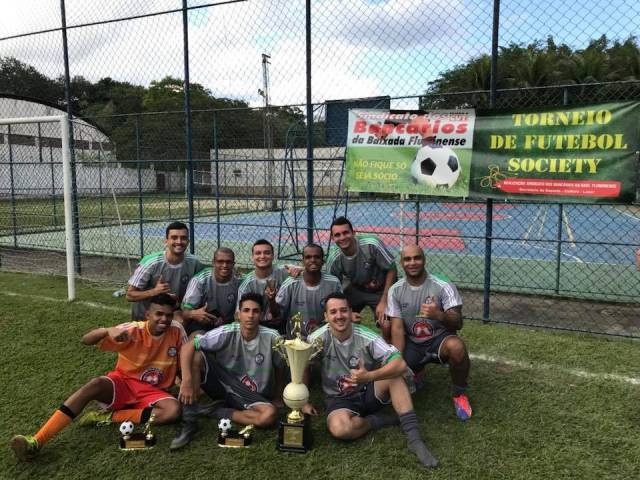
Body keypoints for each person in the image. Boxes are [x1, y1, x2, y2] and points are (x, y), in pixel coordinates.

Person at [10, 294, 185, 461]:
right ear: (148, 314)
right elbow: (86, 340)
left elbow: (184, 357)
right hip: (124, 383)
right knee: (95, 384)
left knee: (173, 411)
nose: (164, 319)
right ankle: (36, 441)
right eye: (159, 314)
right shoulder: (131, 330)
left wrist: (186, 383)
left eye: (168, 315)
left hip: (154, 392)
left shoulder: (176, 330)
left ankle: (108, 417)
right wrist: (107, 330)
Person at [304, 292, 438, 469]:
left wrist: (368, 376)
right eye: (333, 312)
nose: (339, 316)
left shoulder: (367, 337)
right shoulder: (316, 339)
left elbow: (399, 363)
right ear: (326, 316)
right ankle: (378, 420)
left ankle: (414, 439)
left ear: (351, 312)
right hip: (339, 398)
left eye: (343, 310)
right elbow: (303, 365)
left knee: (394, 375)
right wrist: (303, 401)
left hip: (368, 391)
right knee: (340, 429)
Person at [170, 292, 282, 450]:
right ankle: (189, 420)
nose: (250, 315)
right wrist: (186, 381)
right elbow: (188, 346)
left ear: (262, 315)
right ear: (238, 314)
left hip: (250, 394)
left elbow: (279, 367)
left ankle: (217, 411)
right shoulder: (226, 332)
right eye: (246, 310)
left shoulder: (272, 337)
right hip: (223, 383)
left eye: (255, 311)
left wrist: (277, 396)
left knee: (268, 416)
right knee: (196, 355)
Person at [387, 244, 472, 421]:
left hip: (439, 340)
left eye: (417, 258)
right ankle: (416, 372)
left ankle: (459, 395)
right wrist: (397, 360)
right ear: (401, 263)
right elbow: (396, 328)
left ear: (424, 259)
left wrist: (438, 315)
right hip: (413, 343)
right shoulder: (395, 290)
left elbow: (458, 323)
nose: (413, 263)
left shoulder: (443, 285)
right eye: (407, 259)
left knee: (457, 348)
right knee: (395, 370)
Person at [326, 216, 397, 341]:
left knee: (386, 323)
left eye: (345, 232)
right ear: (333, 238)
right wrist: (345, 311)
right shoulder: (334, 258)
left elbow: (392, 268)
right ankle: (349, 348)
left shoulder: (372, 244)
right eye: (337, 235)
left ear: (353, 233)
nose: (342, 237)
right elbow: (332, 287)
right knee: (339, 318)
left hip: (380, 290)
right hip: (356, 289)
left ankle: (387, 352)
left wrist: (385, 300)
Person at [126, 221, 206, 320]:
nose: (179, 242)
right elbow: (130, 295)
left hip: (171, 313)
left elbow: (205, 285)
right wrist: (154, 292)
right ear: (166, 240)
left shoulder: (194, 262)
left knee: (180, 321)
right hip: (146, 317)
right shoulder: (151, 263)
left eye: (183, 238)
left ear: (188, 241)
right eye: (174, 237)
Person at [275, 243, 342, 338]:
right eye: (308, 257)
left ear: (323, 261)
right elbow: (278, 314)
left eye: (317, 257)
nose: (313, 260)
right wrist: (271, 299)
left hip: (326, 338)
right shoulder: (291, 283)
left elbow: (340, 309)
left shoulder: (333, 283)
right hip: (296, 340)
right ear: (303, 261)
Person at [181, 247, 240, 336]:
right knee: (195, 340)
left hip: (228, 326)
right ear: (213, 262)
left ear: (233, 264)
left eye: (228, 262)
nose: (224, 265)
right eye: (220, 261)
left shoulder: (240, 281)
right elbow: (185, 313)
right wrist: (193, 313)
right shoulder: (200, 280)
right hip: (202, 325)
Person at [236, 239, 290, 331]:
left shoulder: (285, 272)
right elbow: (238, 314)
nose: (262, 256)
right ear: (252, 257)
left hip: (284, 322)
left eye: (267, 253)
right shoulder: (247, 284)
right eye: (258, 253)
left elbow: (306, 270)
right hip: (258, 325)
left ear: (273, 256)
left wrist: (299, 269)